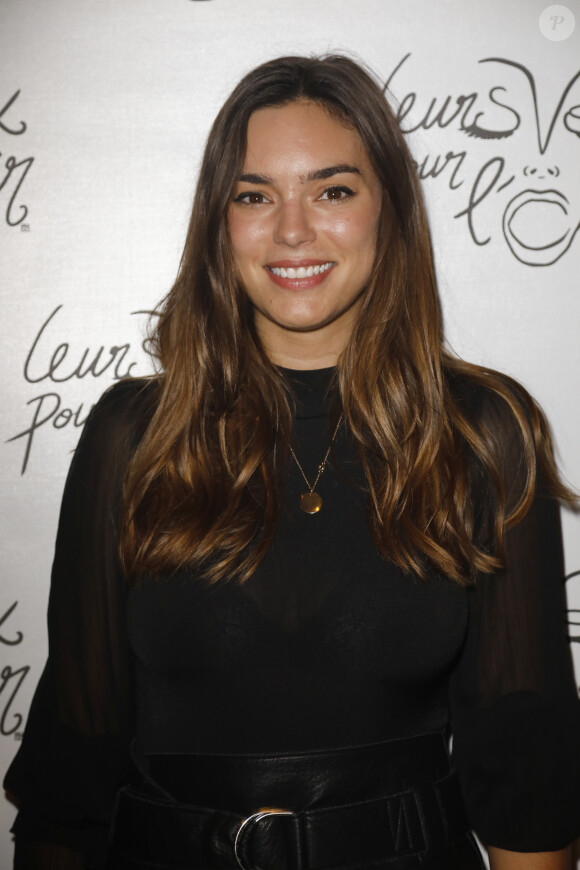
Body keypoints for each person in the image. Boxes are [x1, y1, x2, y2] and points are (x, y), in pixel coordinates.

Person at [4, 54, 580, 870]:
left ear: (390, 209)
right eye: (254, 195)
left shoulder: (482, 432)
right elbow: (76, 766)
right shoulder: (132, 436)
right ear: (219, 222)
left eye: (333, 190)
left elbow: (527, 778)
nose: (293, 230)